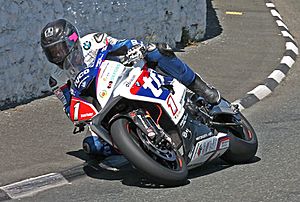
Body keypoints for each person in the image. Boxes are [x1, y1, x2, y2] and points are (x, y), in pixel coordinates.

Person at [40, 19, 220, 156]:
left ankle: (200, 87)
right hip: (101, 105)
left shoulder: (93, 42)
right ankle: (138, 147)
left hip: (125, 78)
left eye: (60, 48)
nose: (57, 55)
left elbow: (122, 45)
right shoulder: (57, 80)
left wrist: (137, 48)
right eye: (52, 52)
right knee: (92, 147)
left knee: (157, 51)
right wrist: (77, 117)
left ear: (72, 40)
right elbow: (69, 105)